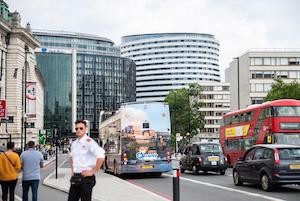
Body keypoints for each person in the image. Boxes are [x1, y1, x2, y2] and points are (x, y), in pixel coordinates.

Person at [68, 119, 105, 201]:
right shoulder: (74, 143)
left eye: (81, 128)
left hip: (86, 178)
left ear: (85, 129)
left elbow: (101, 156)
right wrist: (72, 170)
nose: (78, 130)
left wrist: (93, 171)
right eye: (76, 128)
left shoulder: (89, 142)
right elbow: (71, 157)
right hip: (76, 177)